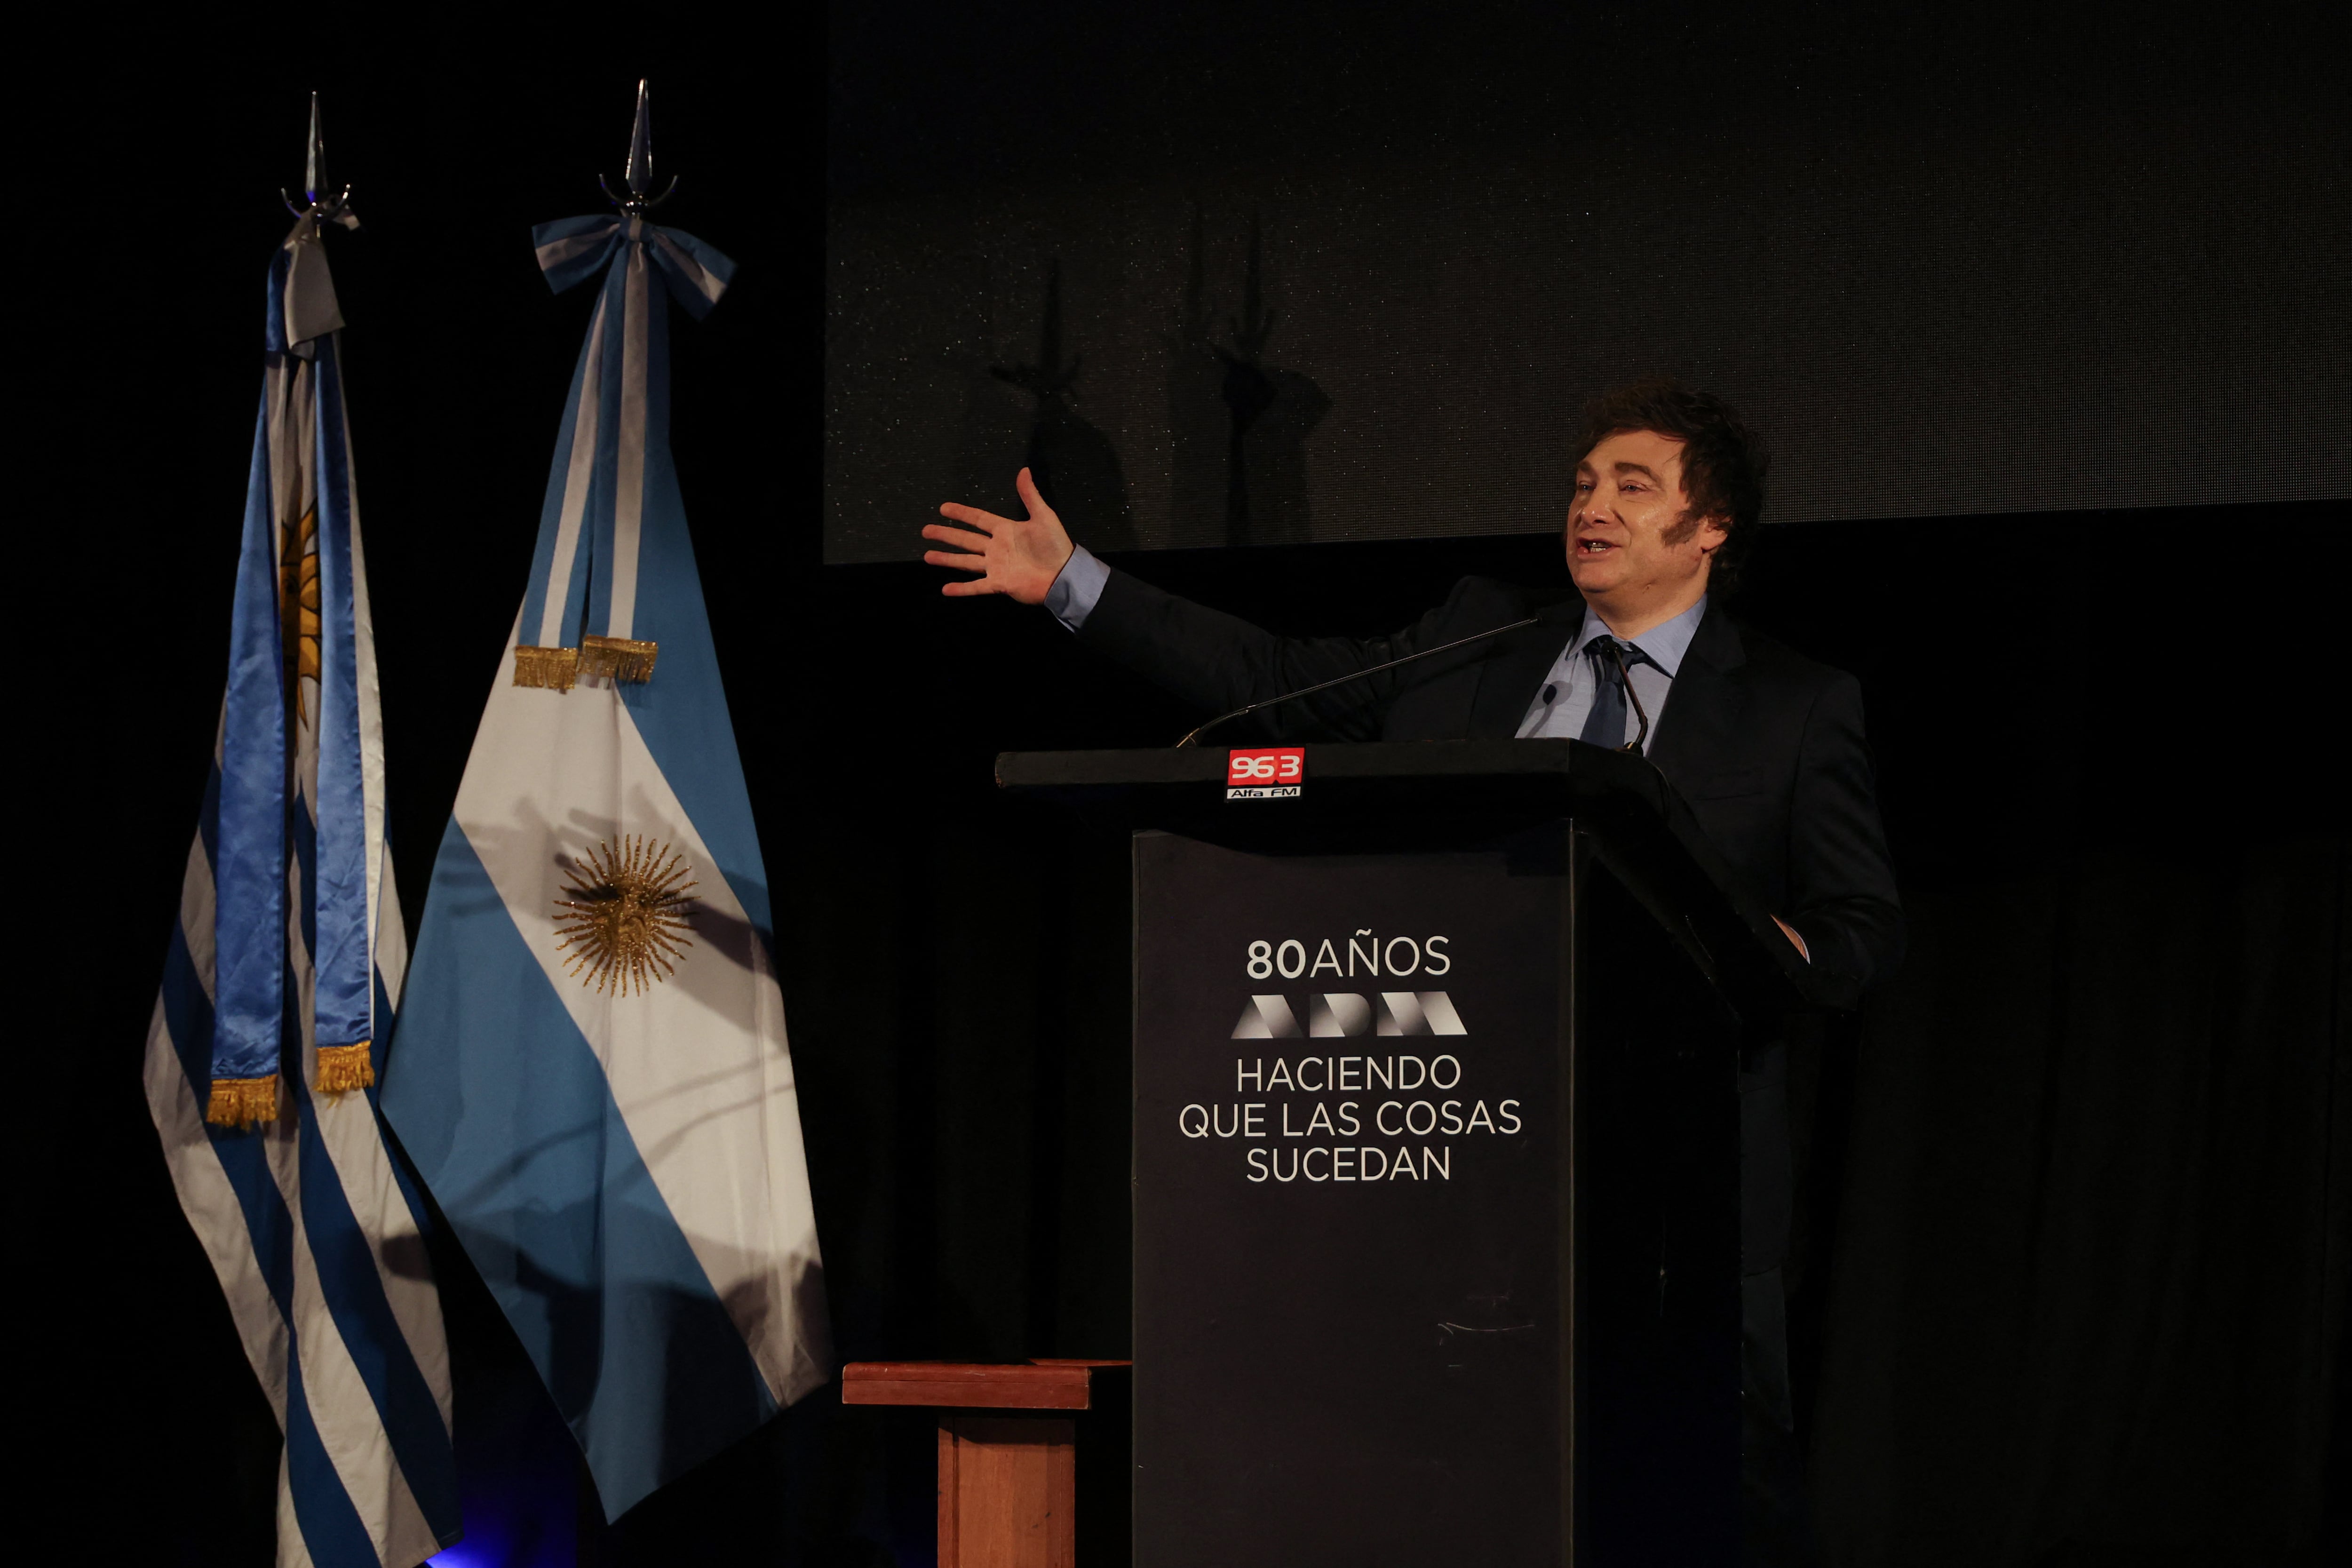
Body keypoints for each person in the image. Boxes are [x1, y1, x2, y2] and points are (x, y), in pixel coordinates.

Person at [923, 378, 1897, 1562]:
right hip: (1443, 1156)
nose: (1592, 507)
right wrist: (1076, 585)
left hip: (1678, 1200)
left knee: (1695, 1507)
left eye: (1632, 488)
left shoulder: (1794, 708)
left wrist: (1767, 941)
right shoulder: (1475, 635)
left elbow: (1855, 932)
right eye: (1583, 484)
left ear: (1709, 529)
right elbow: (1272, 671)